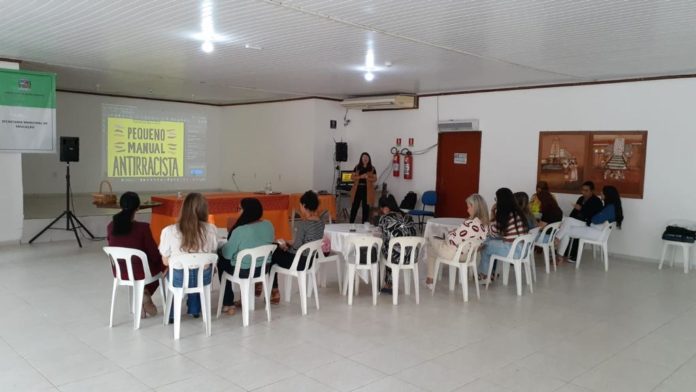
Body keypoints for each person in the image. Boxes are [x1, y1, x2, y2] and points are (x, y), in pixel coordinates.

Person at [159, 193, 219, 318]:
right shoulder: (211, 229)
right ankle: (195, 308)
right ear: (204, 210)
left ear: (183, 209)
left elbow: (165, 262)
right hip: (203, 278)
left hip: (179, 279)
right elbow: (212, 253)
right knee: (199, 268)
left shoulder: (169, 231)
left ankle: (171, 315)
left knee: (178, 270)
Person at [107, 192, 162, 317]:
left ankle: (143, 295)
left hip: (120, 272)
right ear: (138, 208)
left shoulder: (110, 226)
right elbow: (154, 255)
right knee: (163, 264)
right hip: (140, 273)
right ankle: (146, 292)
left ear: (120, 206)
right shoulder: (143, 228)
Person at [218, 198, 275, 314]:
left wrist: (221, 248)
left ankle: (228, 303)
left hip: (243, 271)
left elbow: (228, 255)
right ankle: (236, 300)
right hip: (262, 269)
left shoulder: (240, 230)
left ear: (246, 211)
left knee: (221, 261)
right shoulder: (268, 225)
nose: (237, 212)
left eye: (239, 209)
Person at [269, 190, 325, 303]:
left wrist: (285, 246)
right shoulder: (321, 222)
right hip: (310, 260)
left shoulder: (303, 224)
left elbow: (297, 247)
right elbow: (307, 241)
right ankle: (272, 290)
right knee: (277, 248)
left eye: (300, 206)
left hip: (299, 262)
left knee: (272, 251)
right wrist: (289, 243)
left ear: (304, 205)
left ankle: (273, 290)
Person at [425, 194, 489, 289]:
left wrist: (451, 234)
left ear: (474, 207)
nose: (467, 210)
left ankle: (430, 280)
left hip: (455, 254)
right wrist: (455, 233)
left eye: (468, 207)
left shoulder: (469, 224)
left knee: (430, 239)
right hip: (469, 255)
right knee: (432, 249)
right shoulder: (485, 225)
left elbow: (451, 240)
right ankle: (430, 279)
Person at [555, 185, 623, 258]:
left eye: (602, 192)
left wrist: (593, 215)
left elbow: (595, 220)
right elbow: (595, 217)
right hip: (592, 226)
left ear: (607, 195)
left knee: (566, 231)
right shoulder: (610, 206)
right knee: (567, 220)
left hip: (596, 231)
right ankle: (557, 240)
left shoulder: (610, 208)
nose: (600, 193)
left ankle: (559, 254)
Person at [478, 188, 529, 282]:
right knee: (489, 240)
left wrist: (492, 213)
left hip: (513, 250)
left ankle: (484, 275)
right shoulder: (517, 212)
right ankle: (491, 273)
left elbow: (492, 231)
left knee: (485, 246)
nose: (496, 201)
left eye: (496, 199)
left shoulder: (505, 213)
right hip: (523, 250)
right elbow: (499, 232)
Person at [377, 195, 417, 293]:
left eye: (381, 209)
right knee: (392, 246)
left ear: (386, 208)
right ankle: (390, 283)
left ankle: (388, 284)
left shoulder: (385, 218)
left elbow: (380, 234)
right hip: (412, 255)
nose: (382, 212)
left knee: (384, 248)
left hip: (396, 256)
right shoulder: (409, 217)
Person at [565, 181, 604, 261]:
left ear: (592, 191)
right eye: (583, 190)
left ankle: (573, 255)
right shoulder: (581, 198)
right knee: (566, 226)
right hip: (577, 221)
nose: (584, 192)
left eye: (586, 190)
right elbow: (574, 212)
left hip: (588, 222)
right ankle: (564, 252)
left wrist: (581, 209)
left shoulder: (596, 201)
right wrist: (570, 219)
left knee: (575, 230)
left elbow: (593, 215)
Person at [349, 152, 377, 224]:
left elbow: (375, 179)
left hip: (367, 190)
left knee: (366, 208)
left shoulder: (372, 168)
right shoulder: (357, 167)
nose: (365, 159)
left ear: (369, 159)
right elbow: (352, 177)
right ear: (361, 159)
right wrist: (360, 177)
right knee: (354, 207)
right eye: (363, 157)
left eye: (367, 157)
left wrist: (368, 177)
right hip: (357, 189)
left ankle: (364, 224)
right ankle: (350, 223)